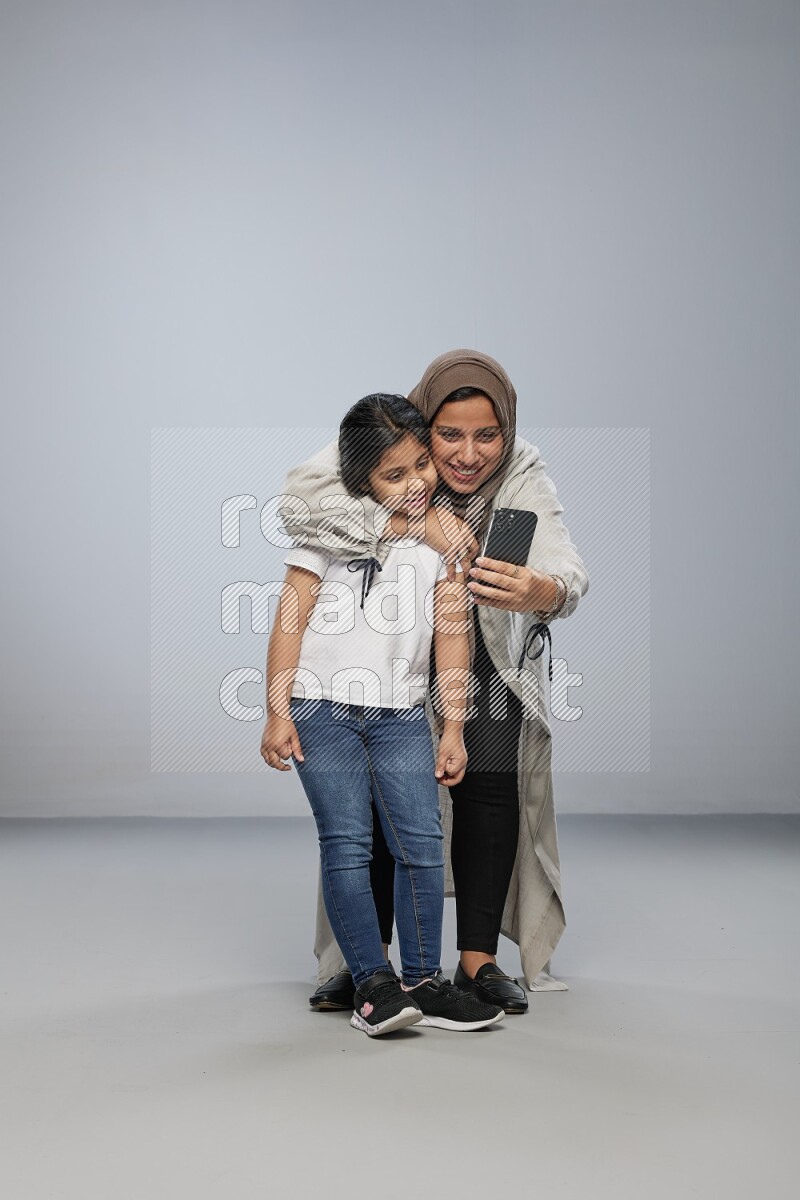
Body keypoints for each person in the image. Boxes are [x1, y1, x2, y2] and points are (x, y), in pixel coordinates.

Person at [281, 351, 589, 1014]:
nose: (468, 454)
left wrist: (545, 587)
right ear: (425, 426)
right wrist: (412, 521)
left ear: (508, 429)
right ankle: (365, 965)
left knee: (487, 785)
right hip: (379, 661)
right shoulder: (385, 444)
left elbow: (564, 560)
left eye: (488, 435)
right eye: (449, 435)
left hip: (480, 651)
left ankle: (476, 960)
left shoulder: (524, 469)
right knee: (367, 811)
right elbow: (300, 506)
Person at [260, 393, 503, 1036]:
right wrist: (276, 709)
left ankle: (425, 980)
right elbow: (291, 617)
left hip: (400, 716)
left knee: (423, 845)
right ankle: (373, 985)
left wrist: (452, 726)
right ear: (361, 479)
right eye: (393, 475)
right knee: (347, 845)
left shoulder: (446, 542)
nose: (417, 482)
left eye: (422, 464)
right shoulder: (328, 531)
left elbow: (452, 636)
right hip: (321, 710)